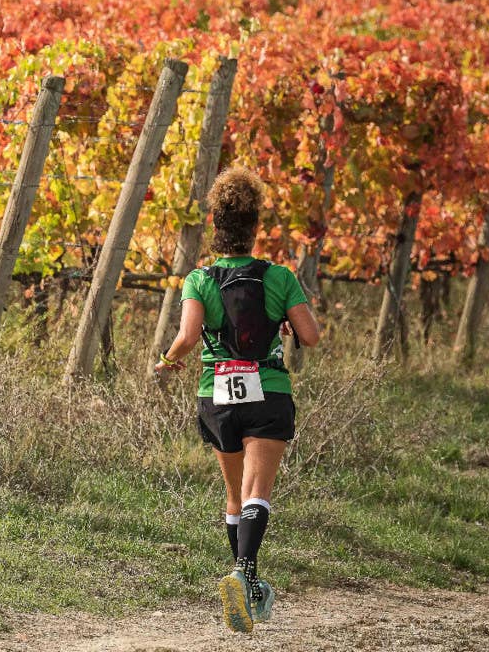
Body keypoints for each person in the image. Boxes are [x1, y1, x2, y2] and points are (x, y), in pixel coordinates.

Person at [154, 167, 321, 633]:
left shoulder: (199, 279)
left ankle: (246, 589)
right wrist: (285, 325)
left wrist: (168, 362)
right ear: (255, 228)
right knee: (258, 493)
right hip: (268, 392)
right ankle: (242, 575)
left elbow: (187, 337)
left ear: (215, 224)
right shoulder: (279, 277)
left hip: (218, 395)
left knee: (234, 495)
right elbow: (310, 334)